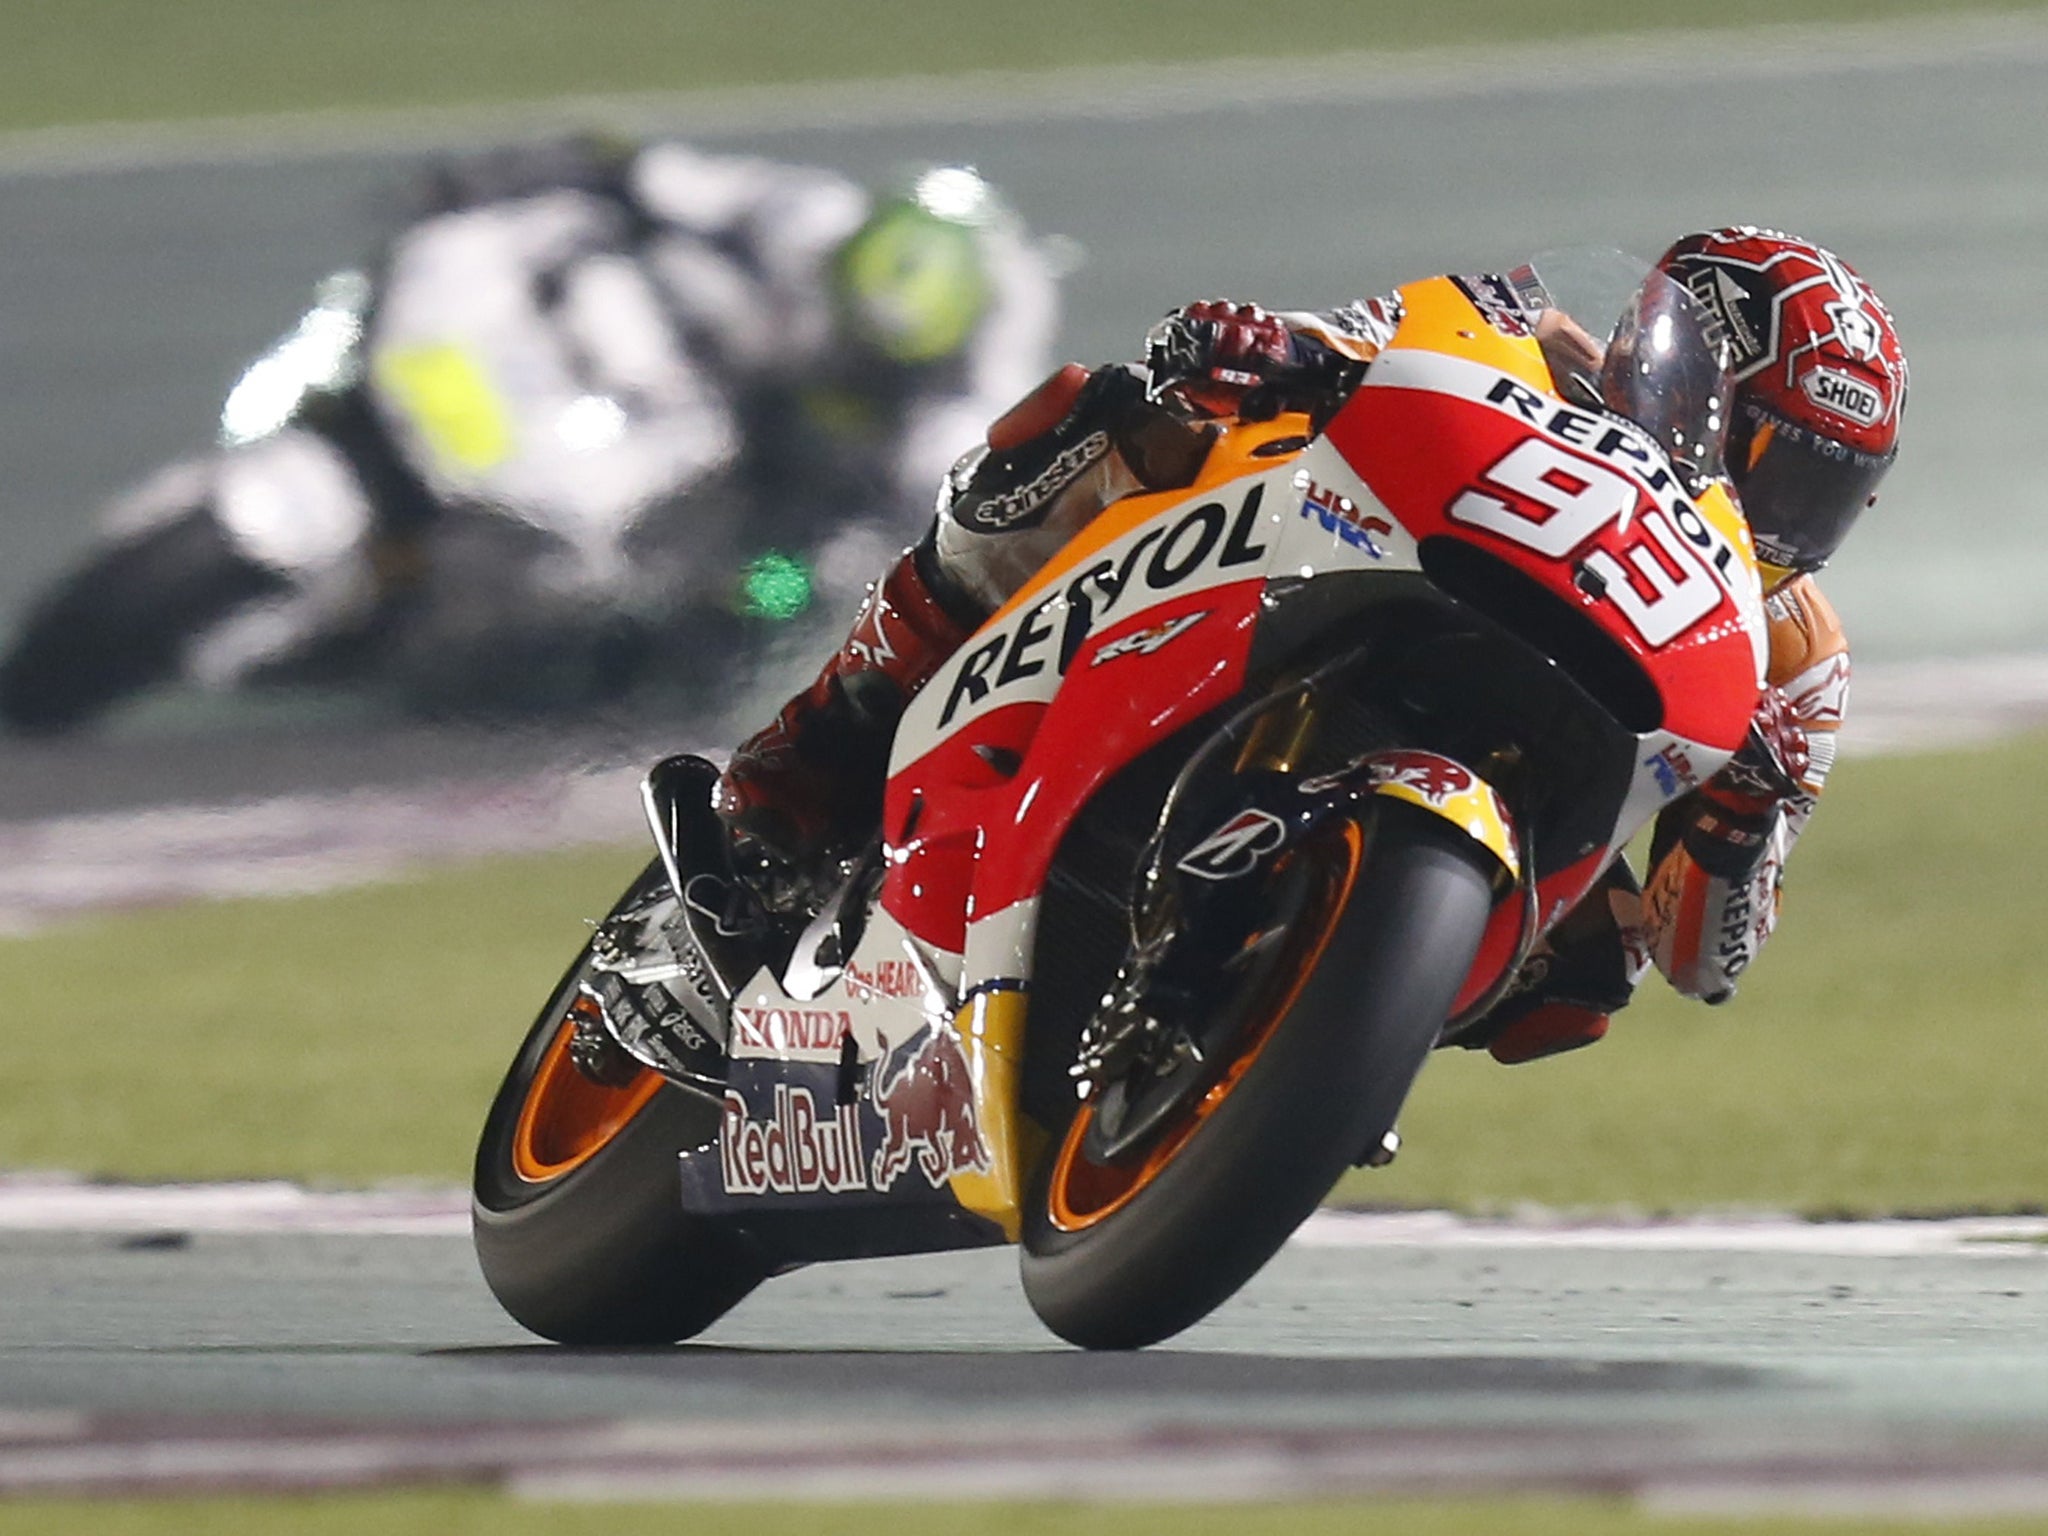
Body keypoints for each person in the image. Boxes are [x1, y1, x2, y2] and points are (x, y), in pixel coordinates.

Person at [713, 226, 1908, 1064]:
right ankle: (826, 733)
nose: (1781, 520)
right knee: (1107, 415)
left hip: (1538, 782)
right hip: (1336, 570)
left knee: (1591, 980)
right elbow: (1335, 338)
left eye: (1819, 491)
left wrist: (1744, 818)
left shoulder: (1794, 656)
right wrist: (1266, 350)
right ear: (1689, 370)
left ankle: (1301, 1031)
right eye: (1769, 459)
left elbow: (1706, 959)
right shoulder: (1517, 333)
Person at [0, 137, 1063, 730]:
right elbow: (629, 169)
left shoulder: (963, 399)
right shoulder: (795, 218)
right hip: (599, 362)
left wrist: (767, 583)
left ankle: (569, 664)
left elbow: (902, 531)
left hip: (738, 480)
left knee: (729, 606)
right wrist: (490, 180)